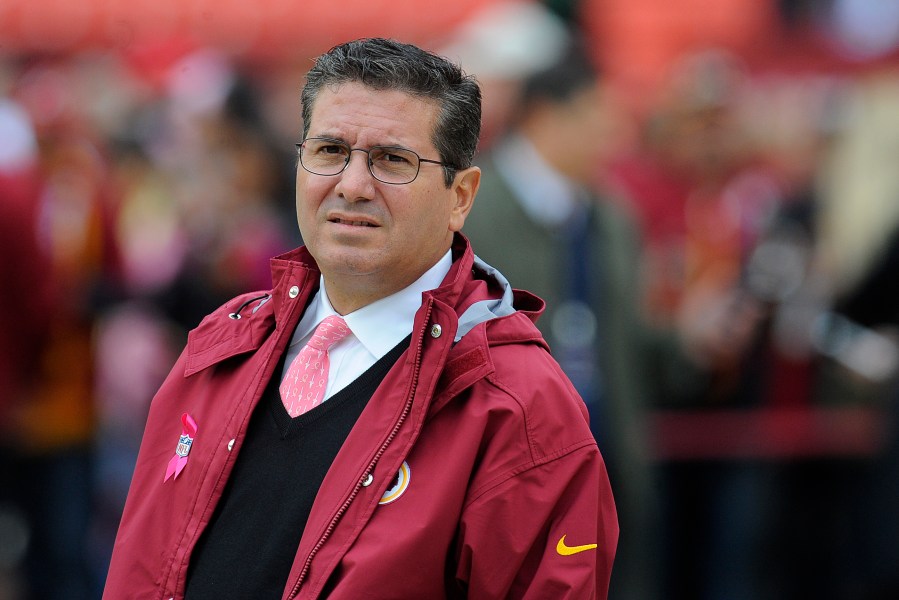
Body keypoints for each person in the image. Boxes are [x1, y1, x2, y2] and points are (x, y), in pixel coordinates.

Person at [103, 38, 618, 599]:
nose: (351, 184)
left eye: (392, 160)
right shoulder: (221, 348)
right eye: (328, 151)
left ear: (460, 196)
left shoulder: (518, 405)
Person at [462, 38, 662, 600]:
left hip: (607, 459)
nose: (613, 136)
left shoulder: (613, 215)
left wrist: (690, 345)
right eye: (600, 118)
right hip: (509, 471)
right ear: (548, 116)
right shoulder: (472, 210)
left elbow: (626, 339)